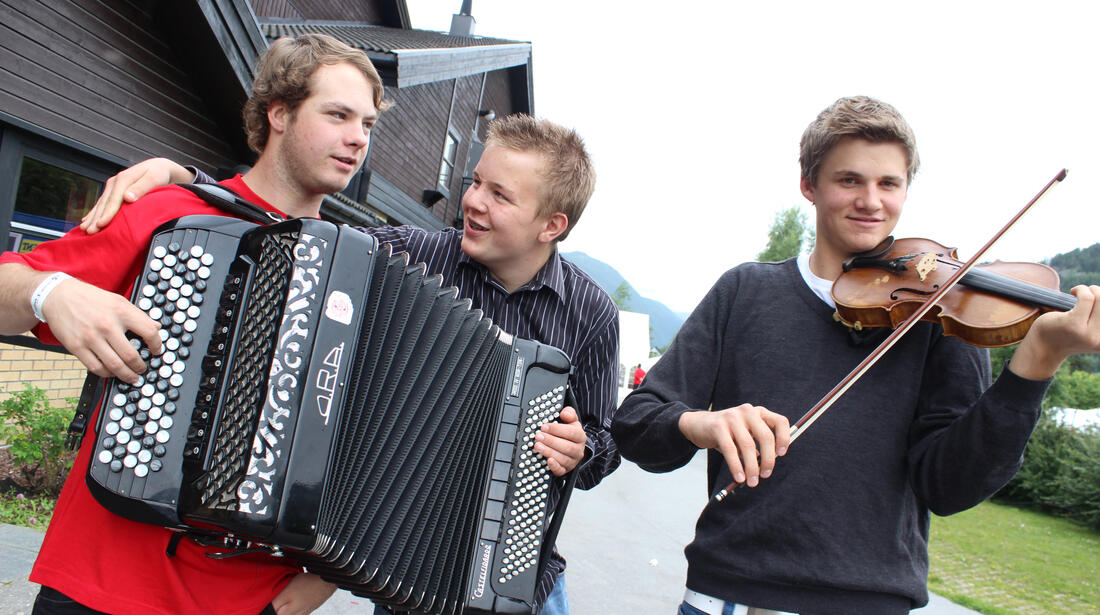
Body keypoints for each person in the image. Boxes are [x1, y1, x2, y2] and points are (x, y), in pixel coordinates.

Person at [77, 115, 621, 614]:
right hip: (405, 559)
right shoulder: (411, 254)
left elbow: (605, 443)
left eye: (499, 195)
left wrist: (580, 449)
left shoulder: (590, 312)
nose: (473, 203)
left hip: (516, 575)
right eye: (475, 182)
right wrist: (187, 178)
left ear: (551, 225)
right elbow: (287, 232)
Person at [611, 95, 1100, 615]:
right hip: (729, 591)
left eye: (889, 183)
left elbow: (950, 485)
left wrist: (1036, 364)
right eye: (849, 180)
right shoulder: (745, 291)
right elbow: (637, 424)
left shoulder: (940, 309)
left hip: (869, 599)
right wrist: (700, 425)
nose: (871, 201)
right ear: (809, 185)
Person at [0, 33, 384, 614]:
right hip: (109, 580)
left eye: (368, 123)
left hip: (254, 599)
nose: (358, 137)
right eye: (337, 115)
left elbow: (377, 441)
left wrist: (322, 581)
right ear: (278, 113)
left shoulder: (367, 279)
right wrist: (49, 291)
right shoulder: (170, 213)